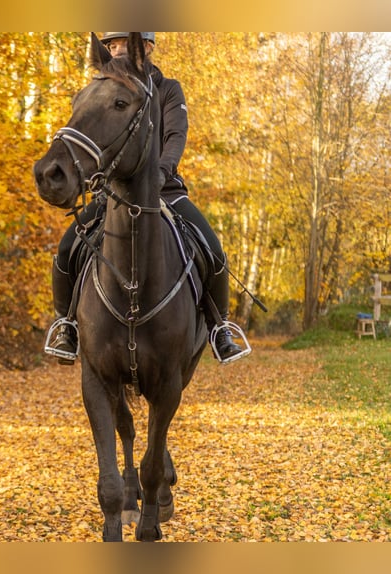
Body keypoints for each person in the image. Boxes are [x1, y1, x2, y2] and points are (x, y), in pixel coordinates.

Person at [45, 32, 251, 365]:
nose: (116, 51)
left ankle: (220, 327)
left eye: (123, 44)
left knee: (212, 249)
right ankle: (66, 325)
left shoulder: (168, 89)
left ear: (147, 47)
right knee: (68, 248)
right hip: (111, 192)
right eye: (111, 47)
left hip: (164, 189)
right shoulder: (105, 90)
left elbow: (175, 136)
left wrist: (161, 173)